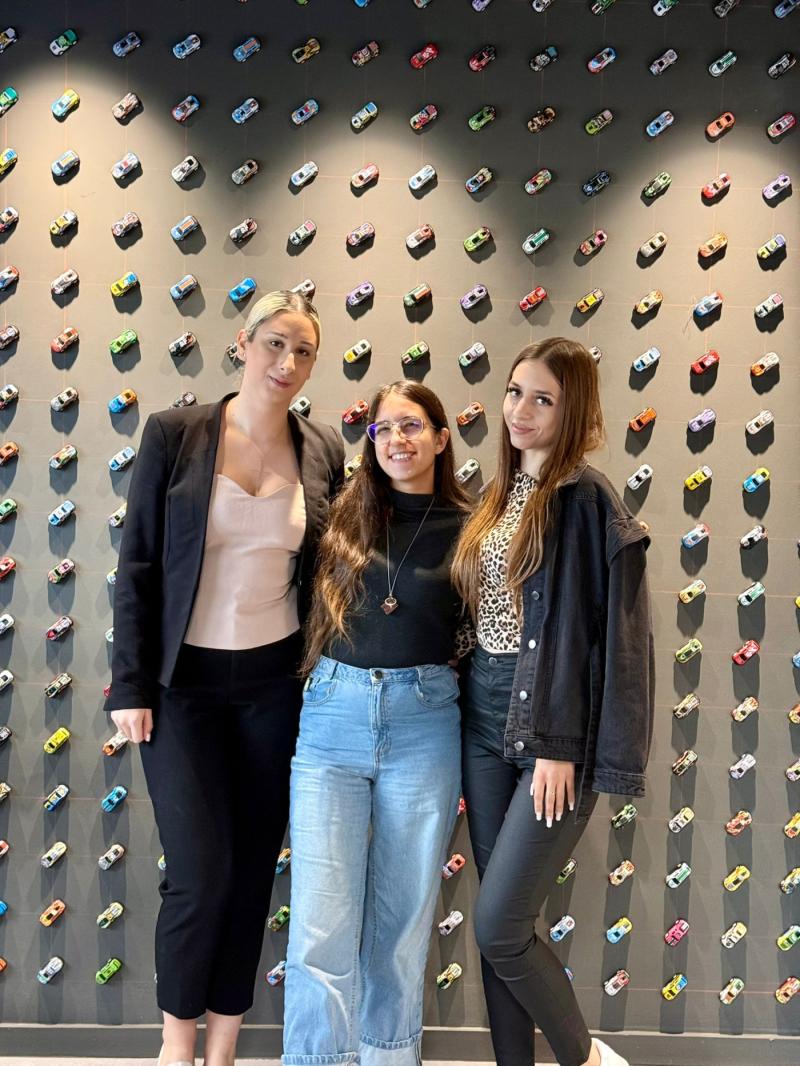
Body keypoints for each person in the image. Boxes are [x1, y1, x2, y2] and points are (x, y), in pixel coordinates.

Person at [106, 290, 344, 1066]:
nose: (288, 362)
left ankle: (224, 1049)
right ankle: (176, 1048)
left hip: (276, 690)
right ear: (243, 343)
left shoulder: (322, 448)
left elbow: (330, 572)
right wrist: (130, 684)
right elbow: (138, 565)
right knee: (199, 874)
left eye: (303, 351)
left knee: (249, 875)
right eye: (275, 343)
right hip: (184, 690)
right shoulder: (175, 434)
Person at [451, 337, 654, 1066]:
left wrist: (558, 744)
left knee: (500, 925)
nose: (521, 410)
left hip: (546, 727)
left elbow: (605, 639)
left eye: (544, 398)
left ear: (575, 412)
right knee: (498, 926)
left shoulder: (586, 499)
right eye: (515, 392)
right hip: (482, 723)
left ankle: (587, 1059)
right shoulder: (497, 494)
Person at [282, 381, 472, 1066]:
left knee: (402, 925)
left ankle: (388, 1057)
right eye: (384, 428)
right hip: (332, 717)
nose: (397, 440)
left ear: (442, 439)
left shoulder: (472, 527)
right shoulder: (340, 515)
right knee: (319, 926)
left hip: (424, 722)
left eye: (412, 426)